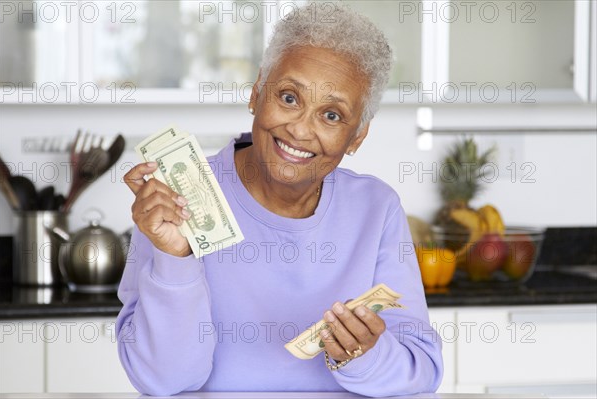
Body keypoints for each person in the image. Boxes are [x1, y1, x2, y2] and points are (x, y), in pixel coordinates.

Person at [117, 3, 443, 397]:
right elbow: (162, 381)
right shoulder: (175, 197)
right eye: (289, 97)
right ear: (257, 93)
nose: (300, 130)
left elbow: (421, 372)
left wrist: (366, 356)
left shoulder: (376, 209)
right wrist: (175, 260)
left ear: (357, 137)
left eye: (332, 116)